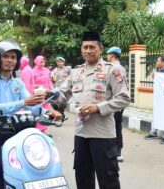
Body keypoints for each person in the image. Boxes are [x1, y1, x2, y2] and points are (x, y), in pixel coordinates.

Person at [49, 31, 130, 189]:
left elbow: (124, 98)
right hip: (81, 134)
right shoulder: (75, 72)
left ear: (100, 48)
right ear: (81, 49)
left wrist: (97, 108)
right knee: (83, 178)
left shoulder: (112, 70)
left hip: (103, 135)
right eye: (85, 47)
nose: (88, 50)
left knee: (108, 180)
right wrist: (46, 96)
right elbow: (62, 95)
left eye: (92, 47)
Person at [0, 39, 47, 189]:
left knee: (30, 169)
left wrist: (48, 113)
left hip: (14, 131)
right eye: (6, 56)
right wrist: (24, 102)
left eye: (13, 57)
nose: (10, 61)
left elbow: (32, 106)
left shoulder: (17, 83)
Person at [145, 56, 164, 144]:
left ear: (163, 62)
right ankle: (153, 133)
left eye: (158, 61)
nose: (156, 62)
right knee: (156, 115)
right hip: (159, 99)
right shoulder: (160, 73)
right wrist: (155, 77)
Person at [106, 46, 127, 162]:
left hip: (115, 103)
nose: (107, 57)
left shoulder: (114, 68)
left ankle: (116, 151)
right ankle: (117, 151)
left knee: (114, 127)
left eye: (108, 55)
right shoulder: (122, 68)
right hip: (119, 102)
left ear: (112, 56)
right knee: (116, 126)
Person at [32, 55, 53, 132]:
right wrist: (38, 88)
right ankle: (37, 128)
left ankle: (44, 128)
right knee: (39, 110)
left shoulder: (47, 70)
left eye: (43, 62)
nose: (43, 63)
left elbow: (49, 81)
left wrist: (52, 90)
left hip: (47, 94)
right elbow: (31, 85)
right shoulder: (32, 72)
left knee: (46, 111)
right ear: (37, 62)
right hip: (38, 94)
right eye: (41, 62)